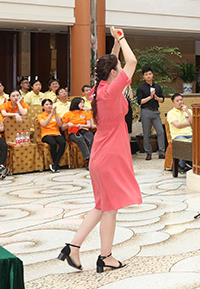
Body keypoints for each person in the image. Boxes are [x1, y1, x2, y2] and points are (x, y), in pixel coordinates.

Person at [57, 26, 140, 273]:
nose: (121, 69)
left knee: (102, 206)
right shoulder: (112, 91)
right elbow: (132, 62)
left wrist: (115, 44)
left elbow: (115, 63)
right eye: (117, 68)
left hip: (100, 156)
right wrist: (122, 38)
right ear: (113, 72)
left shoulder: (98, 90)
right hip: (111, 155)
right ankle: (106, 256)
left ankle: (73, 246)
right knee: (109, 209)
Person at [136, 67, 166, 160]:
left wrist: (156, 98)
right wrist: (150, 97)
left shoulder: (157, 87)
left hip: (155, 111)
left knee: (160, 131)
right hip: (146, 111)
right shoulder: (141, 88)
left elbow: (162, 99)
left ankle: (161, 152)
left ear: (152, 75)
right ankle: (148, 152)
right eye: (146, 74)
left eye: (150, 74)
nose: (148, 76)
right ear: (143, 76)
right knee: (146, 133)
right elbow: (140, 101)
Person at [63, 97, 95, 164]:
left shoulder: (85, 113)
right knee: (80, 138)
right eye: (81, 103)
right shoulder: (68, 114)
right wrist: (68, 124)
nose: (83, 104)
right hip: (73, 131)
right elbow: (63, 128)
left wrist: (82, 126)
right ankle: (88, 158)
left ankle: (91, 160)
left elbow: (89, 125)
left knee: (91, 138)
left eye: (83, 102)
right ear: (76, 103)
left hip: (83, 129)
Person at [166, 93, 193, 172]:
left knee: (199, 143)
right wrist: (189, 123)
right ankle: (182, 166)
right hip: (178, 135)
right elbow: (177, 125)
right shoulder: (171, 113)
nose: (180, 102)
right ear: (173, 103)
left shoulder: (189, 111)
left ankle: (194, 165)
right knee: (183, 143)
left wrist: (187, 112)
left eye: (181, 100)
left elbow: (194, 123)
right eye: (177, 101)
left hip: (190, 134)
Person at [38, 98, 66, 172]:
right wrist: (51, 114)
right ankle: (56, 165)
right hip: (46, 134)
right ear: (43, 107)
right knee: (53, 144)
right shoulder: (40, 116)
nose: (49, 106)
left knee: (63, 142)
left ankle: (55, 164)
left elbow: (60, 124)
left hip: (56, 133)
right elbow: (44, 124)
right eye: (47, 104)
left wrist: (55, 114)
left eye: (50, 104)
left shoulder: (56, 114)